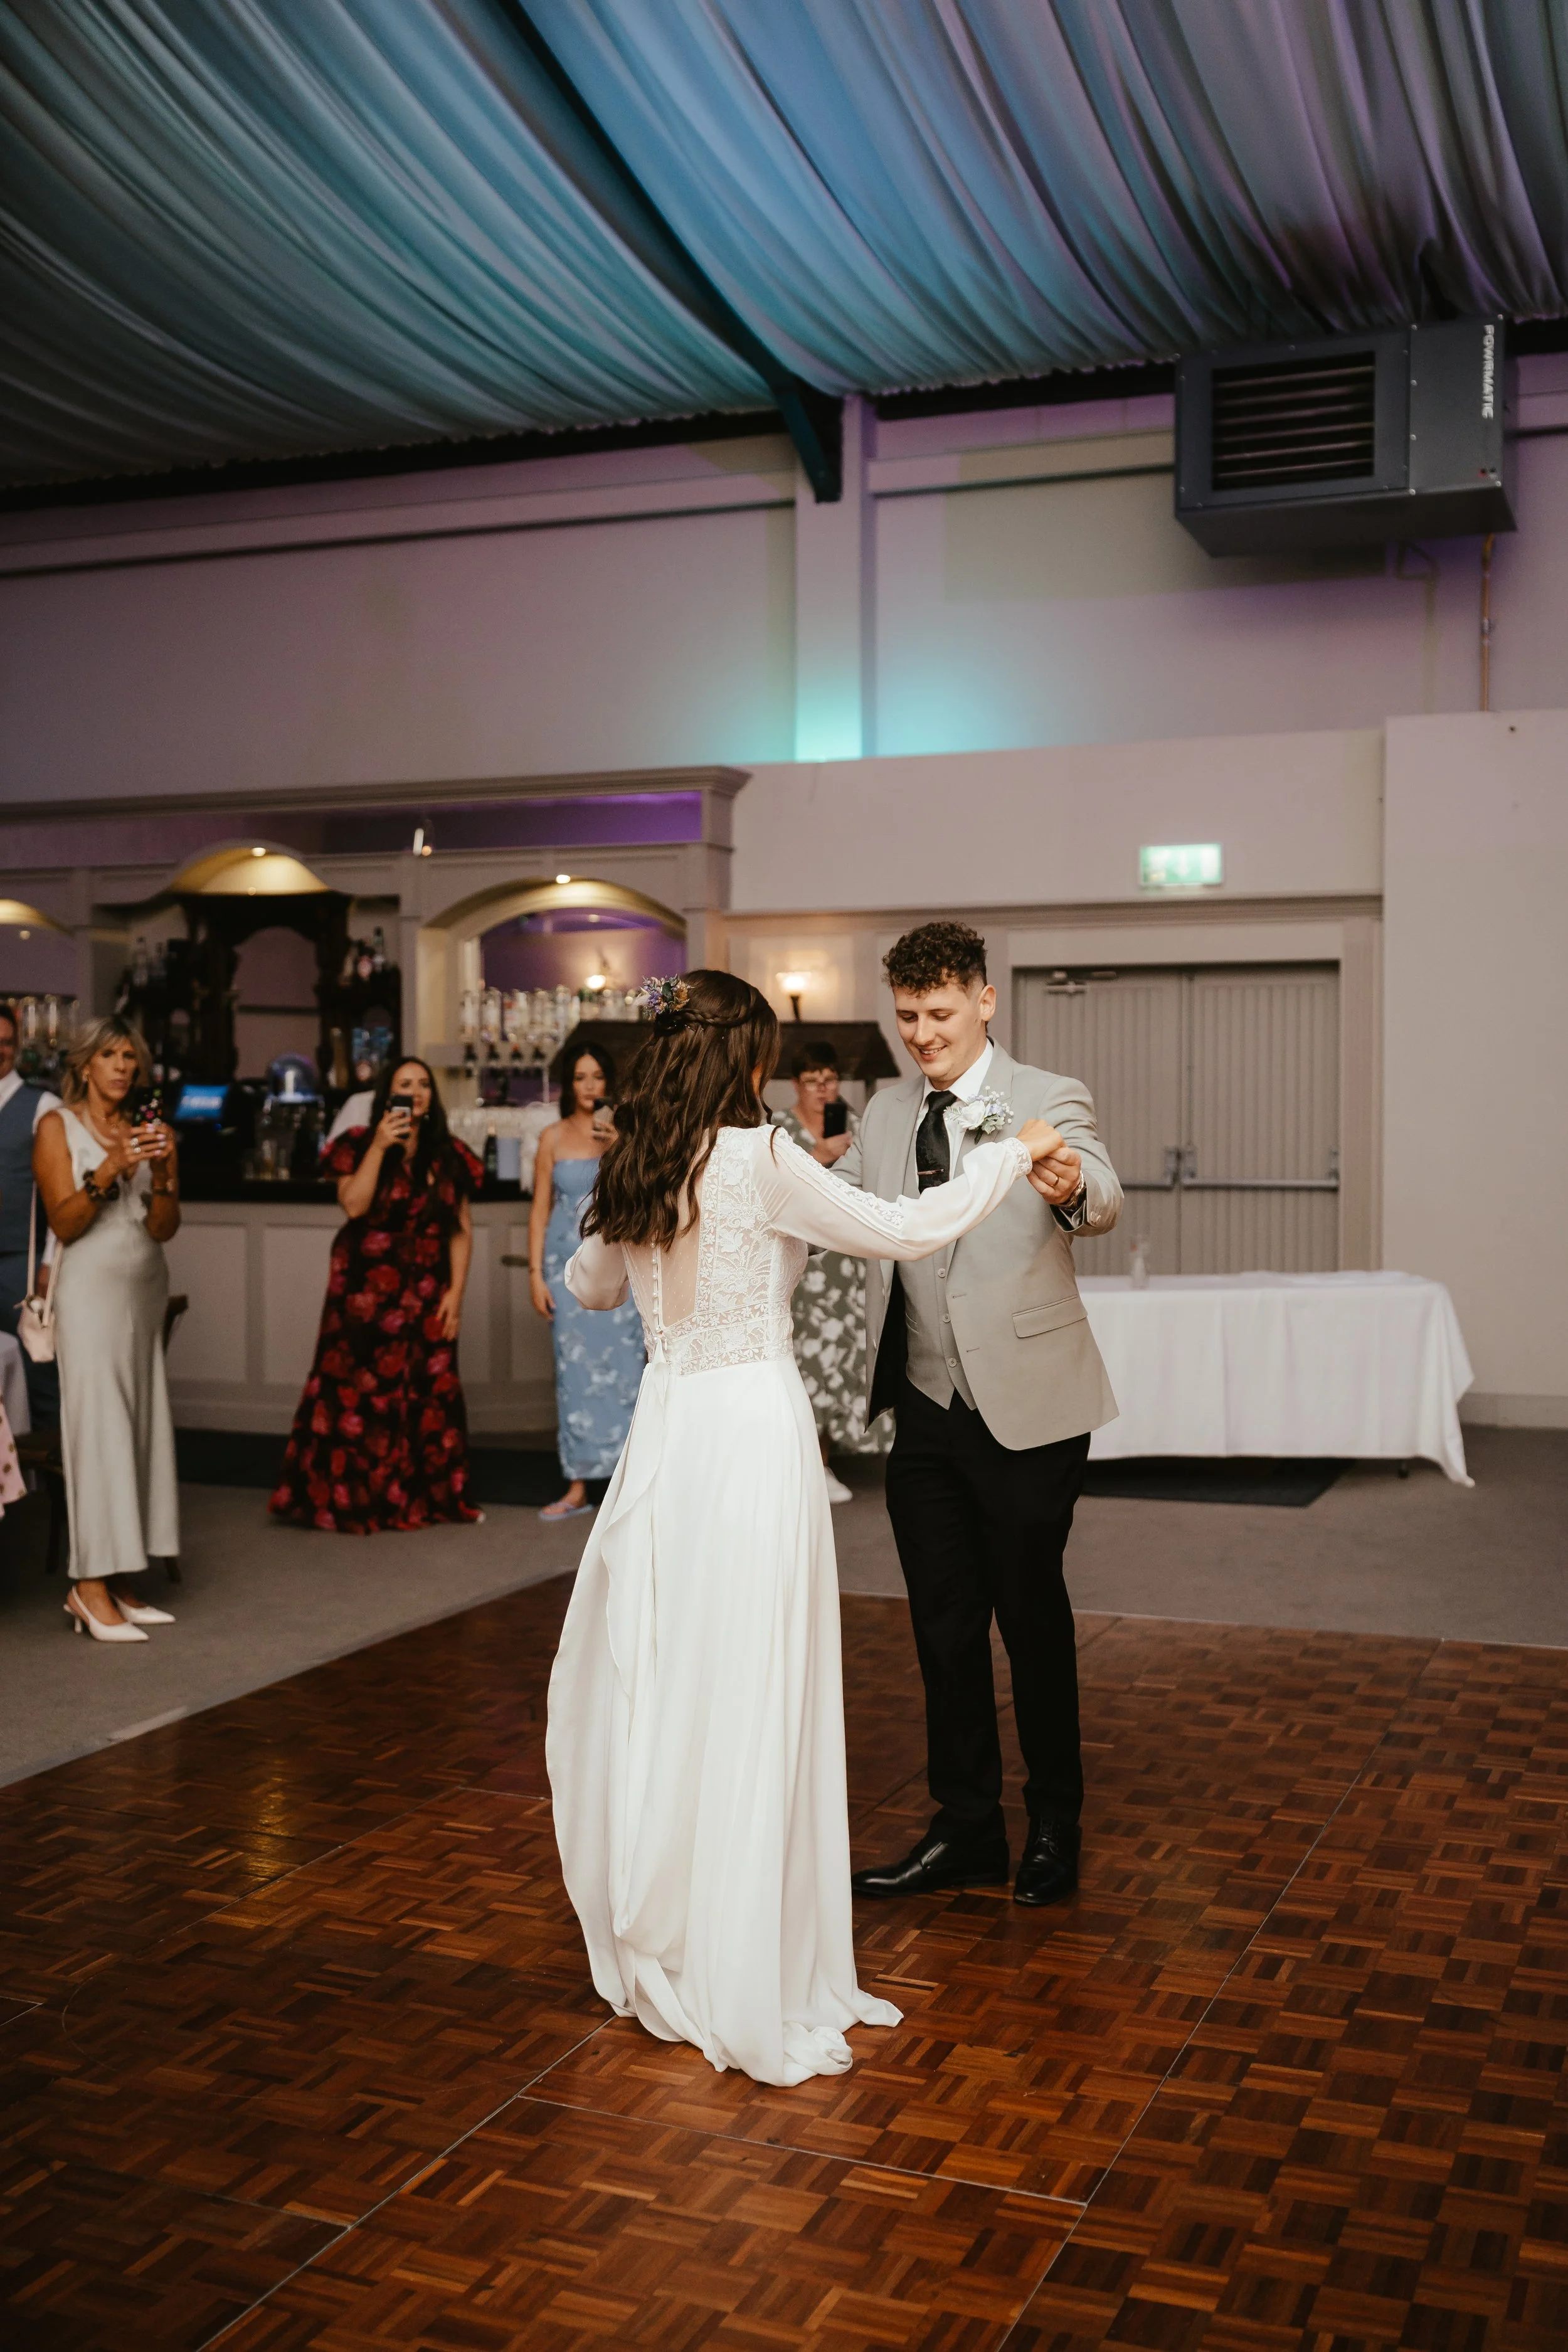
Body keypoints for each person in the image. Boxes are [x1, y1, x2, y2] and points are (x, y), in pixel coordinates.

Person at [546, 969, 1069, 2086]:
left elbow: (587, 1286)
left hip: (667, 1434)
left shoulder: (639, 1159)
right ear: (743, 1057)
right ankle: (746, 1953)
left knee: (676, 1675)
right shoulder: (758, 1157)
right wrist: (1006, 1156)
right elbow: (902, 1229)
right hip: (749, 1435)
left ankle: (679, 1927)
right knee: (751, 1680)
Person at [836, 922, 1121, 1909]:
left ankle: (1053, 1824)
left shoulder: (1047, 1094)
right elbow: (836, 1204)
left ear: (985, 1001)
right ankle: (966, 1829)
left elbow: (1104, 1189)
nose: (922, 1033)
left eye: (941, 1013)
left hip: (1029, 1408)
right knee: (942, 1627)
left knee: (1030, 1618)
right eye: (907, 1015)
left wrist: (1073, 1182)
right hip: (924, 1409)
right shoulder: (881, 1112)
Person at [270, 1057, 484, 1533]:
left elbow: (461, 1231)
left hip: (429, 1290)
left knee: (430, 1392)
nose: (417, 1092)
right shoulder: (357, 1145)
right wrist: (381, 1146)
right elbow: (353, 1204)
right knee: (356, 1397)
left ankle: (424, 1499)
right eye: (405, 1084)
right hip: (363, 1294)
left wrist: (456, 1295)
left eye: (424, 1084)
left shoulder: (450, 1154)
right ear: (387, 1095)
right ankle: (355, 1502)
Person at [33, 1016, 181, 1643]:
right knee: (96, 1430)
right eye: (110, 1056)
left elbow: (163, 1227)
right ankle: (87, 1587)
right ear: (84, 1065)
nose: (122, 1067)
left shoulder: (144, 1130)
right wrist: (109, 1168)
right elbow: (64, 1224)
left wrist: (167, 1172)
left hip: (144, 1287)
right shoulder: (56, 1126)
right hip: (88, 1293)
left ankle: (122, 1577)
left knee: (139, 1426)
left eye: (130, 1057)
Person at [771, 1041, 890, 1501]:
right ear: (796, 1084)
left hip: (847, 1260)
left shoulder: (856, 1122)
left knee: (843, 1353)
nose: (823, 1089)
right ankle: (811, 1463)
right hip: (802, 1259)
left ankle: (830, 1457)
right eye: (812, 1080)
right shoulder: (777, 1129)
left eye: (830, 1079)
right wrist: (819, 1154)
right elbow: (776, 1190)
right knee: (805, 1357)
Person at [529, 1042, 644, 1522]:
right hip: (563, 1266)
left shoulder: (624, 1131)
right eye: (580, 1077)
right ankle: (578, 1485)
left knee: (628, 1373)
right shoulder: (552, 1137)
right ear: (568, 1084)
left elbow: (643, 1189)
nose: (590, 1085)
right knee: (573, 1376)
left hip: (618, 1261)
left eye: (597, 1076)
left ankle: (632, 1484)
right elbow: (538, 1210)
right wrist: (536, 1274)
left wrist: (620, 1144)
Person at [0, 1000, 62, 1426]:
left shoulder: (43, 1106)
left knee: (39, 1372)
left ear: (17, 1047)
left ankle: (57, 1488)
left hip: (20, 1265)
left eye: (5, 1042)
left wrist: (47, 1267)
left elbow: (59, 1199)